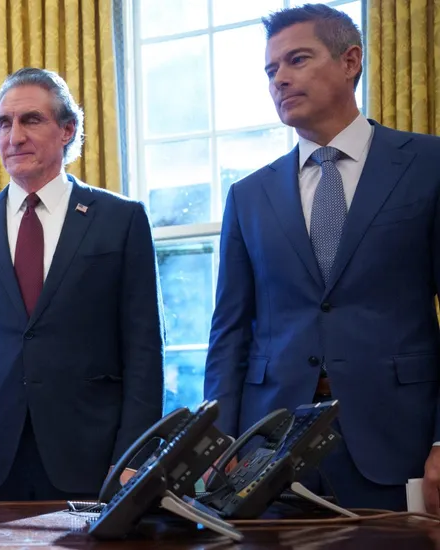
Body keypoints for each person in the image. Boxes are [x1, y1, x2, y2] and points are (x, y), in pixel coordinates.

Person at [205, 4, 440, 512]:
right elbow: (230, 330)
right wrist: (220, 439)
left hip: (398, 437)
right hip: (269, 450)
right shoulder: (248, 195)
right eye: (271, 69)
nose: (280, 79)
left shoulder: (428, 164)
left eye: (297, 60)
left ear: (350, 60)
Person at [0, 67, 164, 502]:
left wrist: (134, 454)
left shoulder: (121, 220)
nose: (14, 136)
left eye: (31, 120)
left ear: (67, 130)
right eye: (4, 123)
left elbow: (144, 350)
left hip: (92, 455)